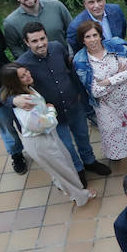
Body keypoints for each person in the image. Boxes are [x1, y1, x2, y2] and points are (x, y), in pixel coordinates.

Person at [15, 23, 108, 179]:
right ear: (26, 42)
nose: (40, 44)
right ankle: (78, 170)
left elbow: (70, 70)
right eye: (34, 41)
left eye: (42, 38)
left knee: (83, 136)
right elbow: (4, 92)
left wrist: (81, 95)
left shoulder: (57, 47)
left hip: (74, 105)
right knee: (66, 145)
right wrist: (13, 99)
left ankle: (90, 161)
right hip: (54, 115)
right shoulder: (22, 64)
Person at [0, 64, 95, 205]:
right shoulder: (26, 103)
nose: (28, 75)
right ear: (14, 82)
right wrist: (51, 110)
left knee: (60, 164)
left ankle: (64, 187)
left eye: (26, 72)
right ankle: (81, 196)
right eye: (22, 76)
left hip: (46, 137)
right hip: (40, 140)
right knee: (64, 169)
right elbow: (39, 125)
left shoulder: (26, 90)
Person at [74, 22, 127, 161]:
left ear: (100, 35)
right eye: (88, 37)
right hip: (107, 105)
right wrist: (119, 77)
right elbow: (95, 91)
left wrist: (107, 81)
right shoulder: (81, 61)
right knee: (116, 132)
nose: (93, 39)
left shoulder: (115, 47)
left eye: (95, 35)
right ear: (83, 40)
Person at [2, 0, 73, 55]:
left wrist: (71, 53)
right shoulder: (11, 22)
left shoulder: (56, 6)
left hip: (65, 58)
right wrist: (28, 63)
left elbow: (72, 30)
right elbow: (14, 46)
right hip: (36, 65)